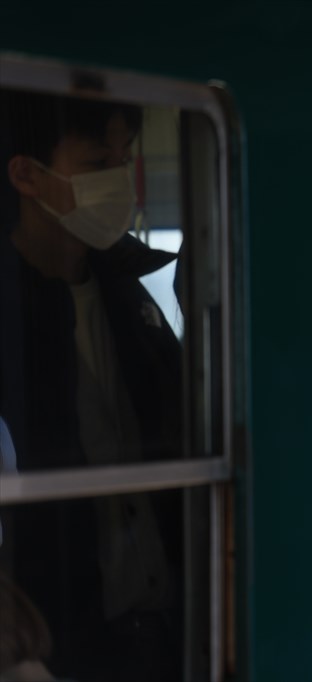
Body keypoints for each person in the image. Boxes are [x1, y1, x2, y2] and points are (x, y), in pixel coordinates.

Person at [0, 88, 183, 681]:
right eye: (98, 164)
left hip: (170, 634)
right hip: (58, 649)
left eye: (125, 158)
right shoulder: (10, 316)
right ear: (26, 174)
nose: (120, 183)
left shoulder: (132, 301)